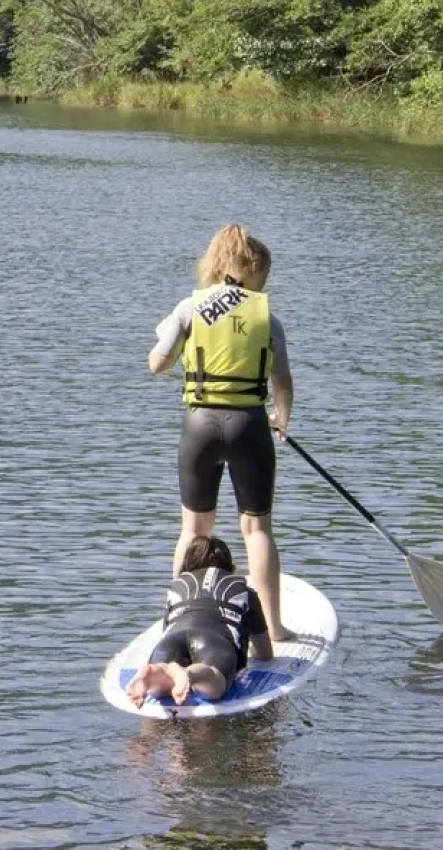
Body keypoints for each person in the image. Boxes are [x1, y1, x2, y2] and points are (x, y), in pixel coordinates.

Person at [148, 223, 295, 640]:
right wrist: (281, 419)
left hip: (201, 426)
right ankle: (274, 628)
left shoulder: (188, 308)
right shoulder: (268, 319)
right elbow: (283, 383)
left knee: (194, 531)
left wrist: (172, 341)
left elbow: (157, 365)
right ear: (255, 273)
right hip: (249, 425)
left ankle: (177, 621)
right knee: (257, 530)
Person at [125, 535, 274, 707]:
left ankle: (152, 673)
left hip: (172, 638)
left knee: (162, 685)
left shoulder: (177, 586)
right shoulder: (244, 590)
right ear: (231, 568)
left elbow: (166, 629)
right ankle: (189, 675)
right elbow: (265, 653)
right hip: (214, 639)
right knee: (214, 681)